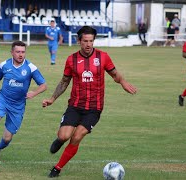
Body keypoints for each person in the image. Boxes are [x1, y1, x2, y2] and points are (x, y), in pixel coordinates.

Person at [42, 26, 137, 178]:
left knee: (77, 137)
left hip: (94, 107)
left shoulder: (103, 57)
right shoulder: (71, 60)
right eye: (85, 41)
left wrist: (123, 82)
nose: (88, 44)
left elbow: (114, 74)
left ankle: (57, 168)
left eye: (91, 41)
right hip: (75, 105)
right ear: (79, 41)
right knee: (64, 135)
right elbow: (65, 81)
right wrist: (52, 99)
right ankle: (60, 140)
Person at [0, 41, 47, 162]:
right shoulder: (4, 65)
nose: (20, 54)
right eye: (18, 52)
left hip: (18, 106)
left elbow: (43, 85)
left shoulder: (30, 68)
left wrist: (34, 92)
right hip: (3, 100)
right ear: (12, 52)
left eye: (23, 52)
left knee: (7, 139)